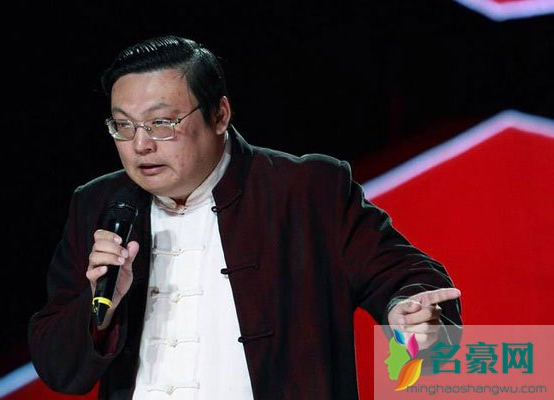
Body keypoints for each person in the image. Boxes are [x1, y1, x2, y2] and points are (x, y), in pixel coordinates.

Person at [28, 35, 462, 399]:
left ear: (219, 115)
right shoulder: (97, 204)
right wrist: (100, 308)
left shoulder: (307, 190)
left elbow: (409, 278)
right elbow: (58, 369)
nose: (141, 145)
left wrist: (408, 313)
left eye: (161, 123)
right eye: (124, 125)